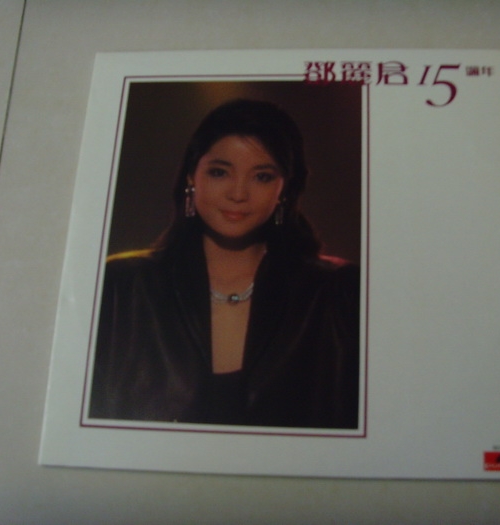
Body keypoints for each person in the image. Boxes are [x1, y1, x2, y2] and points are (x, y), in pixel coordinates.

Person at [88, 99, 360, 429]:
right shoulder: (120, 288)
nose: (238, 193)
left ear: (284, 189)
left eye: (262, 176)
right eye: (220, 172)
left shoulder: (337, 294)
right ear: (192, 177)